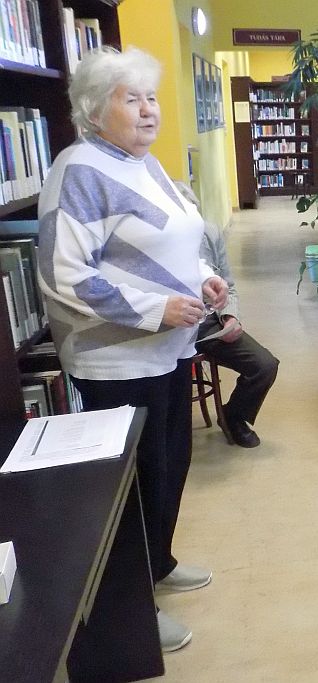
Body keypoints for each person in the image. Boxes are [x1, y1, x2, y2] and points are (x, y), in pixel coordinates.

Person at [37, 47, 227, 652]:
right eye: (132, 99)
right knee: (132, 487)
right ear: (95, 111)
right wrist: (154, 309)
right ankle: (131, 610)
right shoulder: (80, 170)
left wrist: (203, 279)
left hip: (168, 350)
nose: (149, 111)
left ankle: (158, 562)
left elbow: (178, 240)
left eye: (151, 98)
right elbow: (63, 273)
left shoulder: (143, 163)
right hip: (115, 360)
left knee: (168, 466)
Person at [174, 182, 279, 449]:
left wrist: (230, 317)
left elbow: (227, 284)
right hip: (169, 329)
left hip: (208, 323)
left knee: (264, 365)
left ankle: (233, 416)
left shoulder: (209, 233)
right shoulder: (153, 244)